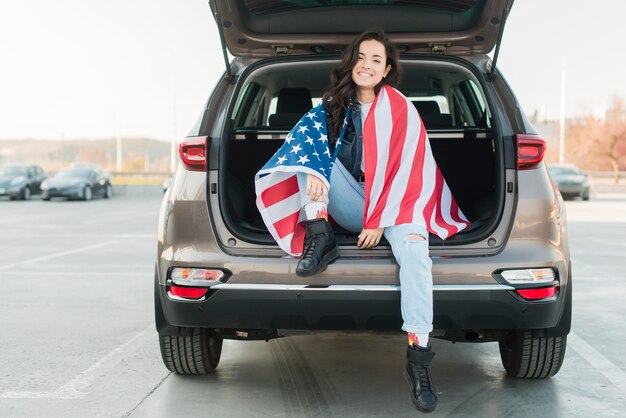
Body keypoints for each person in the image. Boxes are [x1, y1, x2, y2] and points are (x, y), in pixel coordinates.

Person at [255, 30, 470, 413]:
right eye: (361, 57)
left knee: (417, 260)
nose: (367, 65)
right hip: (354, 205)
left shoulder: (402, 108)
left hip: (401, 206)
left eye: (376, 60)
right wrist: (321, 174)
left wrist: (381, 217)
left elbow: (409, 173)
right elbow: (306, 149)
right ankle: (320, 235)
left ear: (386, 69)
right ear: (351, 62)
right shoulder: (332, 105)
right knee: (309, 152)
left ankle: (418, 359)